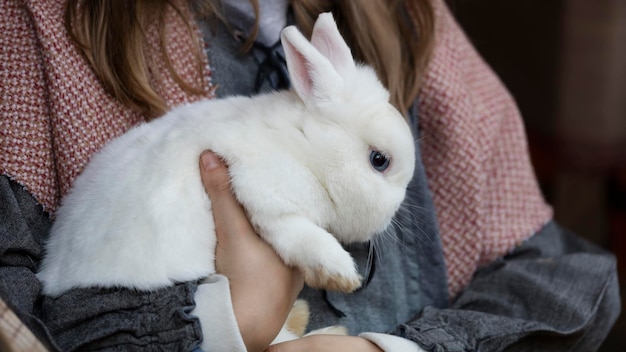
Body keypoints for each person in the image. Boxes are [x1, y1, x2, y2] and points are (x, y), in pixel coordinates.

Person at [0, 0, 620, 351]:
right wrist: (227, 321)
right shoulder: (36, 27)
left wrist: (394, 351)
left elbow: (550, 274)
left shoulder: (404, 18)